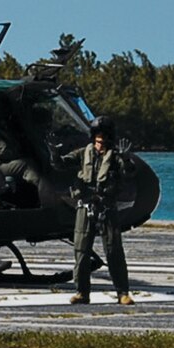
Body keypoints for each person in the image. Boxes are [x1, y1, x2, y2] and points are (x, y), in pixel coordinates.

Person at [66, 117, 134, 305]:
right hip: (85, 206)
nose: (100, 140)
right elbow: (62, 164)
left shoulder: (116, 157)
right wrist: (54, 154)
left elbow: (129, 173)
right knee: (81, 250)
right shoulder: (83, 153)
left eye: (104, 137)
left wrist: (127, 159)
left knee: (114, 251)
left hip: (106, 207)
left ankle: (122, 292)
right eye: (97, 136)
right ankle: (82, 292)